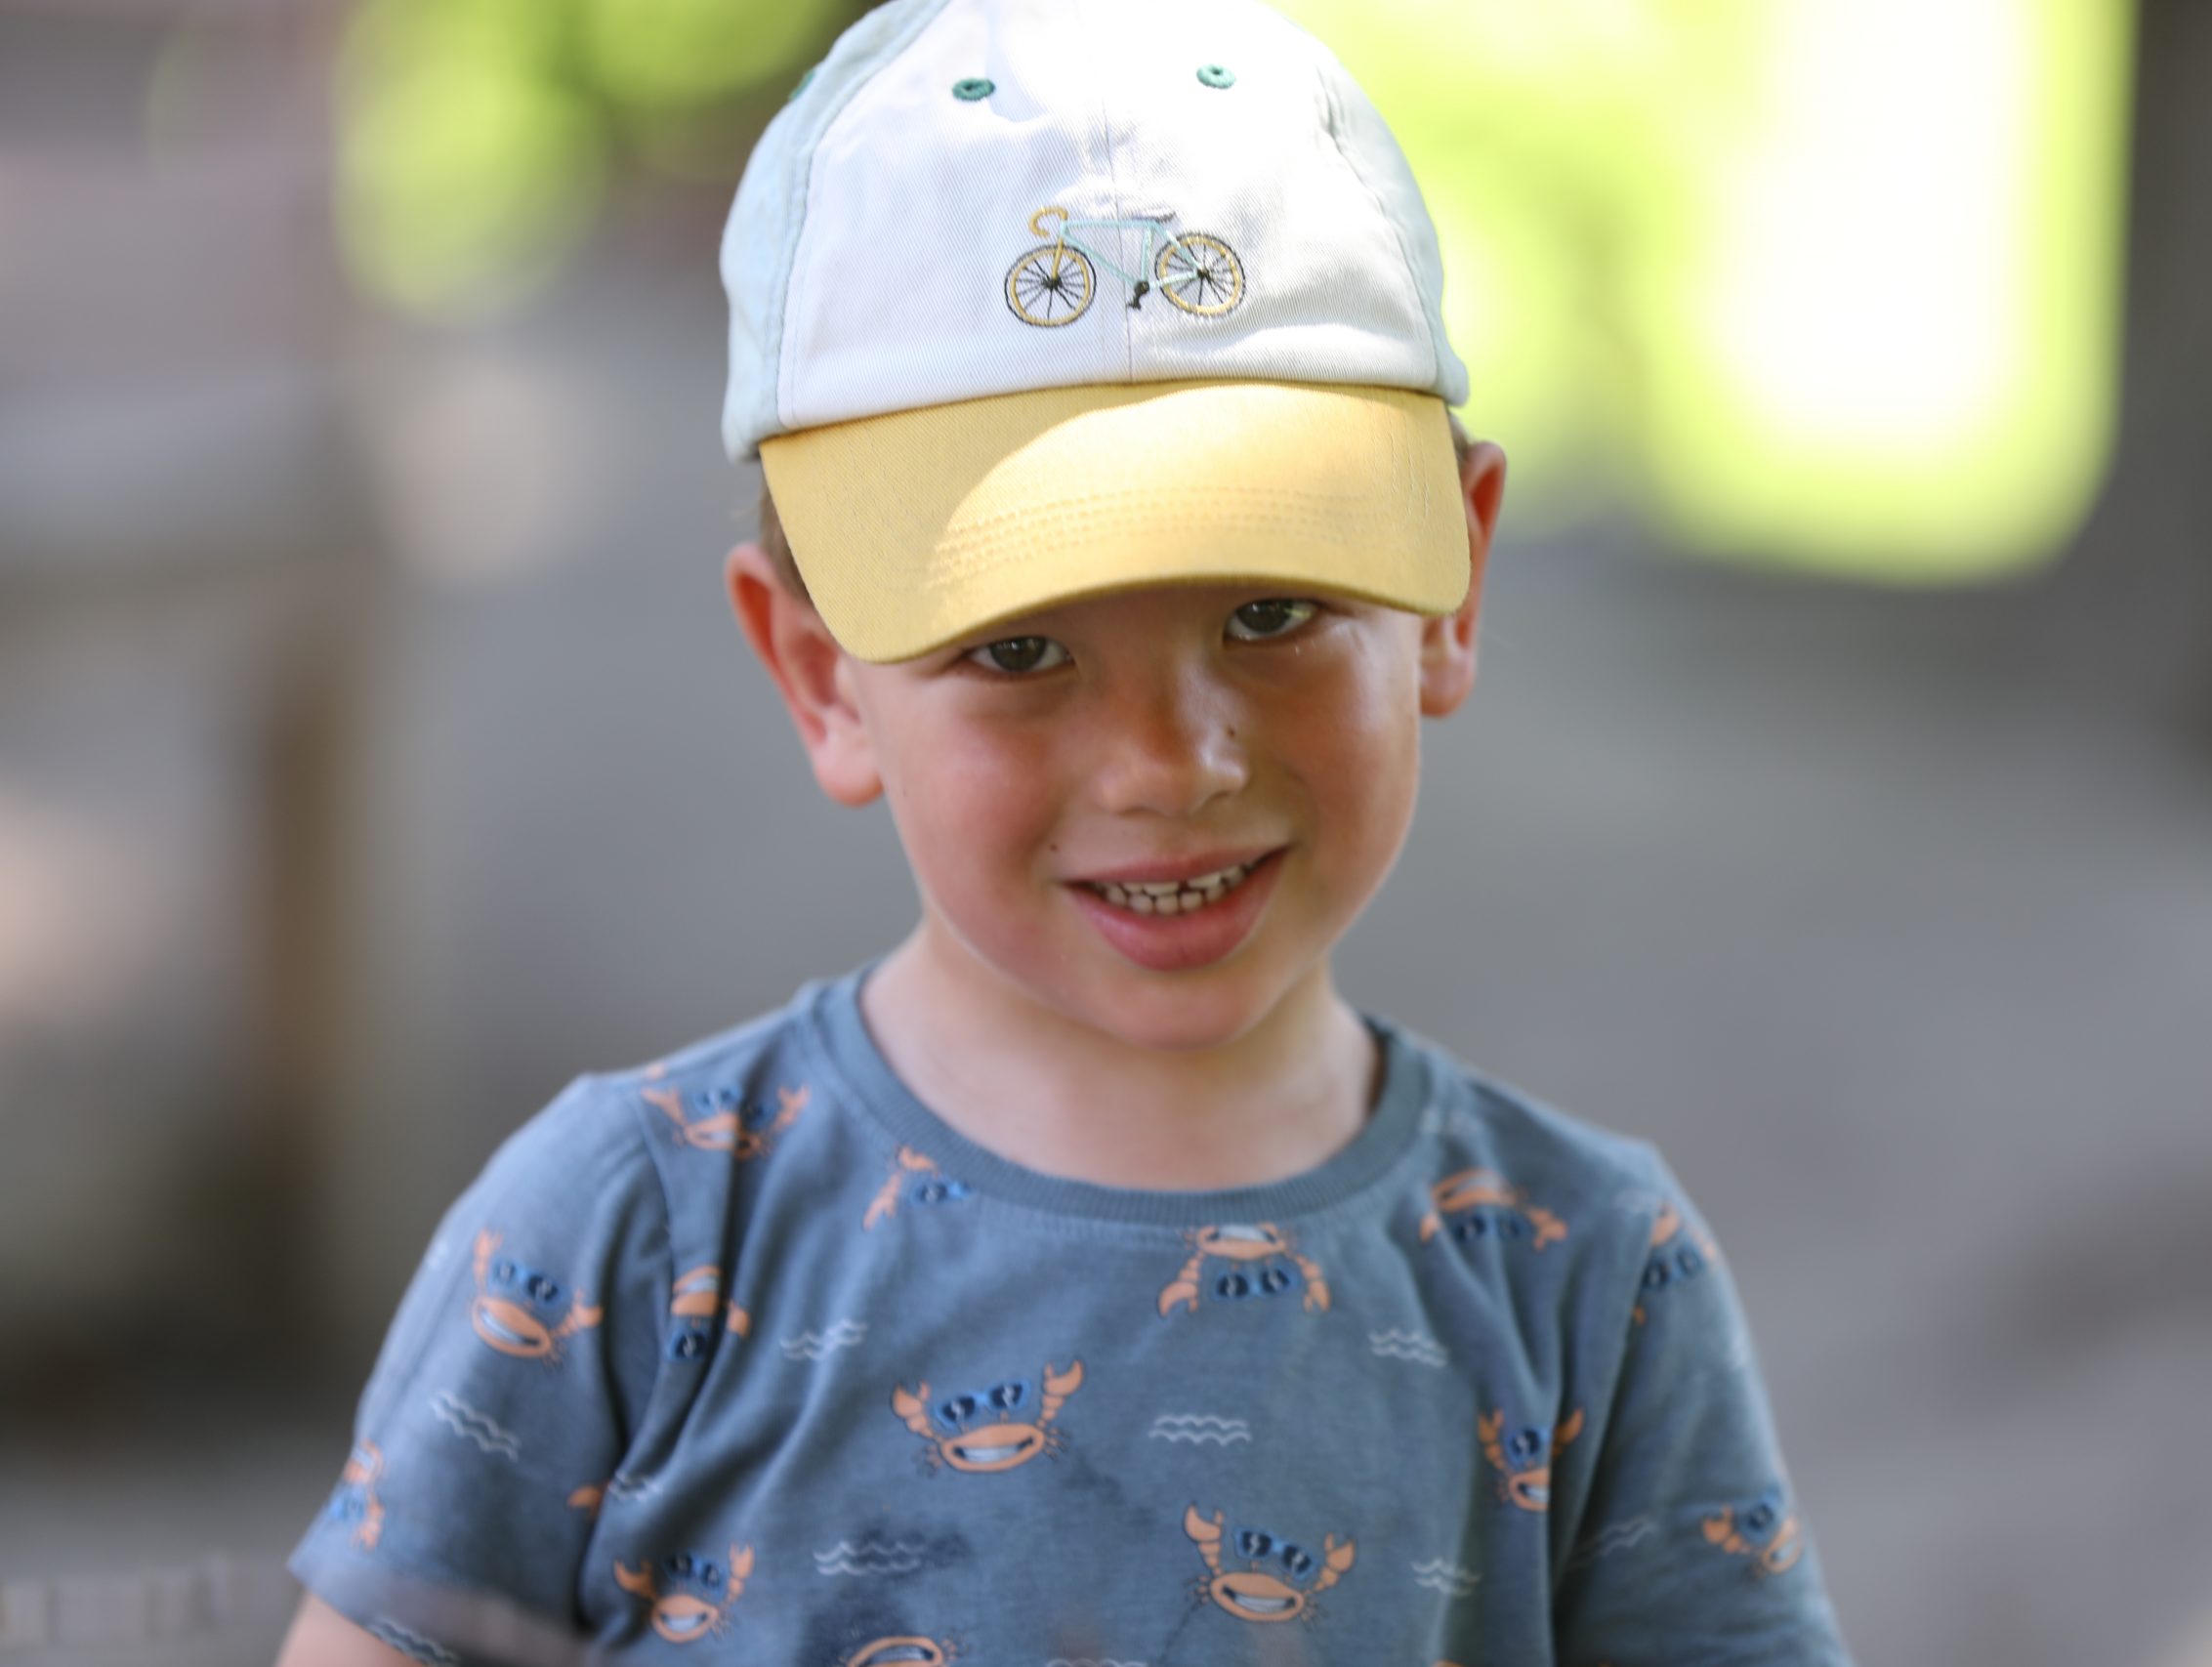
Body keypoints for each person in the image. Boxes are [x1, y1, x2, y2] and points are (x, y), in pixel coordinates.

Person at [276, 0, 1856, 1661]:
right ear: (819, 672)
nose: (1171, 764)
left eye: (1273, 610)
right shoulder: (629, 1239)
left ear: (1449, 591)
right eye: (1021, 651)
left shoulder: (1587, 1277)